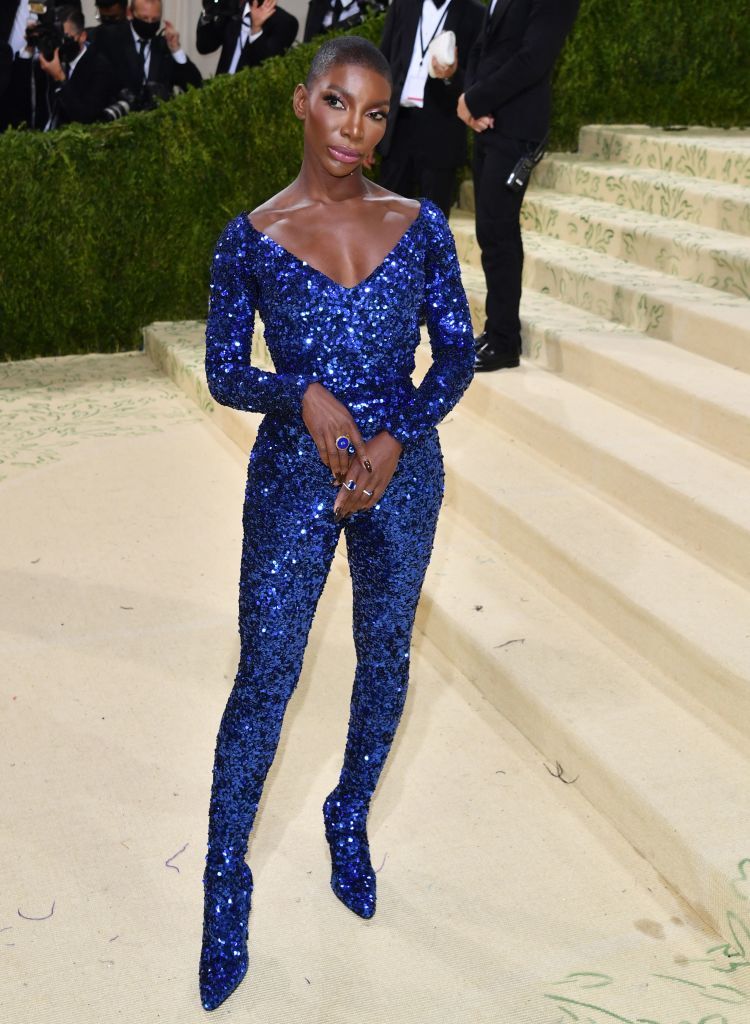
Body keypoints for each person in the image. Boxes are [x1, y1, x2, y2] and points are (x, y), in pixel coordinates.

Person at [199, 33, 475, 1012]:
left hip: (402, 472)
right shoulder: (250, 236)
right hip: (293, 476)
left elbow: (454, 357)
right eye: (337, 105)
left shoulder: (423, 226)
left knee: (386, 652)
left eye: (374, 113)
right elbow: (226, 369)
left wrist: (397, 434)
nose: (355, 130)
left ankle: (349, 811)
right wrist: (301, 394)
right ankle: (225, 880)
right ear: (301, 104)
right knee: (266, 675)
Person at [458, 0, 579, 371]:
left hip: (517, 126)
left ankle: (505, 342)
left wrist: (477, 99)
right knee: (488, 231)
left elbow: (533, 59)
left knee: (499, 231)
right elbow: (482, 46)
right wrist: (470, 99)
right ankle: (497, 330)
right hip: (489, 121)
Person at [378, 0, 484, 218]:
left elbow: (477, 81)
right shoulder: (403, 5)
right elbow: (382, 63)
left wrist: (451, 76)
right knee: (387, 223)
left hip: (442, 132)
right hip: (398, 127)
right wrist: (372, 121)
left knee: (432, 228)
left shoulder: (475, 14)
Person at [7, 5, 114, 129]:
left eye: (65, 38)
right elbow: (18, 92)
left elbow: (84, 117)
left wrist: (60, 79)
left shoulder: (99, 66)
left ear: (82, 37)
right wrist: (30, 46)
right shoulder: (50, 59)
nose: (60, 45)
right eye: (56, 38)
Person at [93, 0, 202, 104]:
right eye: (144, 18)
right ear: (130, 13)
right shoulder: (110, 39)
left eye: (154, 20)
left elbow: (194, 86)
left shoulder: (164, 47)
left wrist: (176, 50)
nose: (149, 23)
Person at [196, 0, 297, 76]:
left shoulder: (285, 22)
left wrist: (256, 29)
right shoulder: (232, 10)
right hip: (221, 94)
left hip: (251, 99)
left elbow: (267, 66)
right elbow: (205, 47)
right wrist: (207, 13)